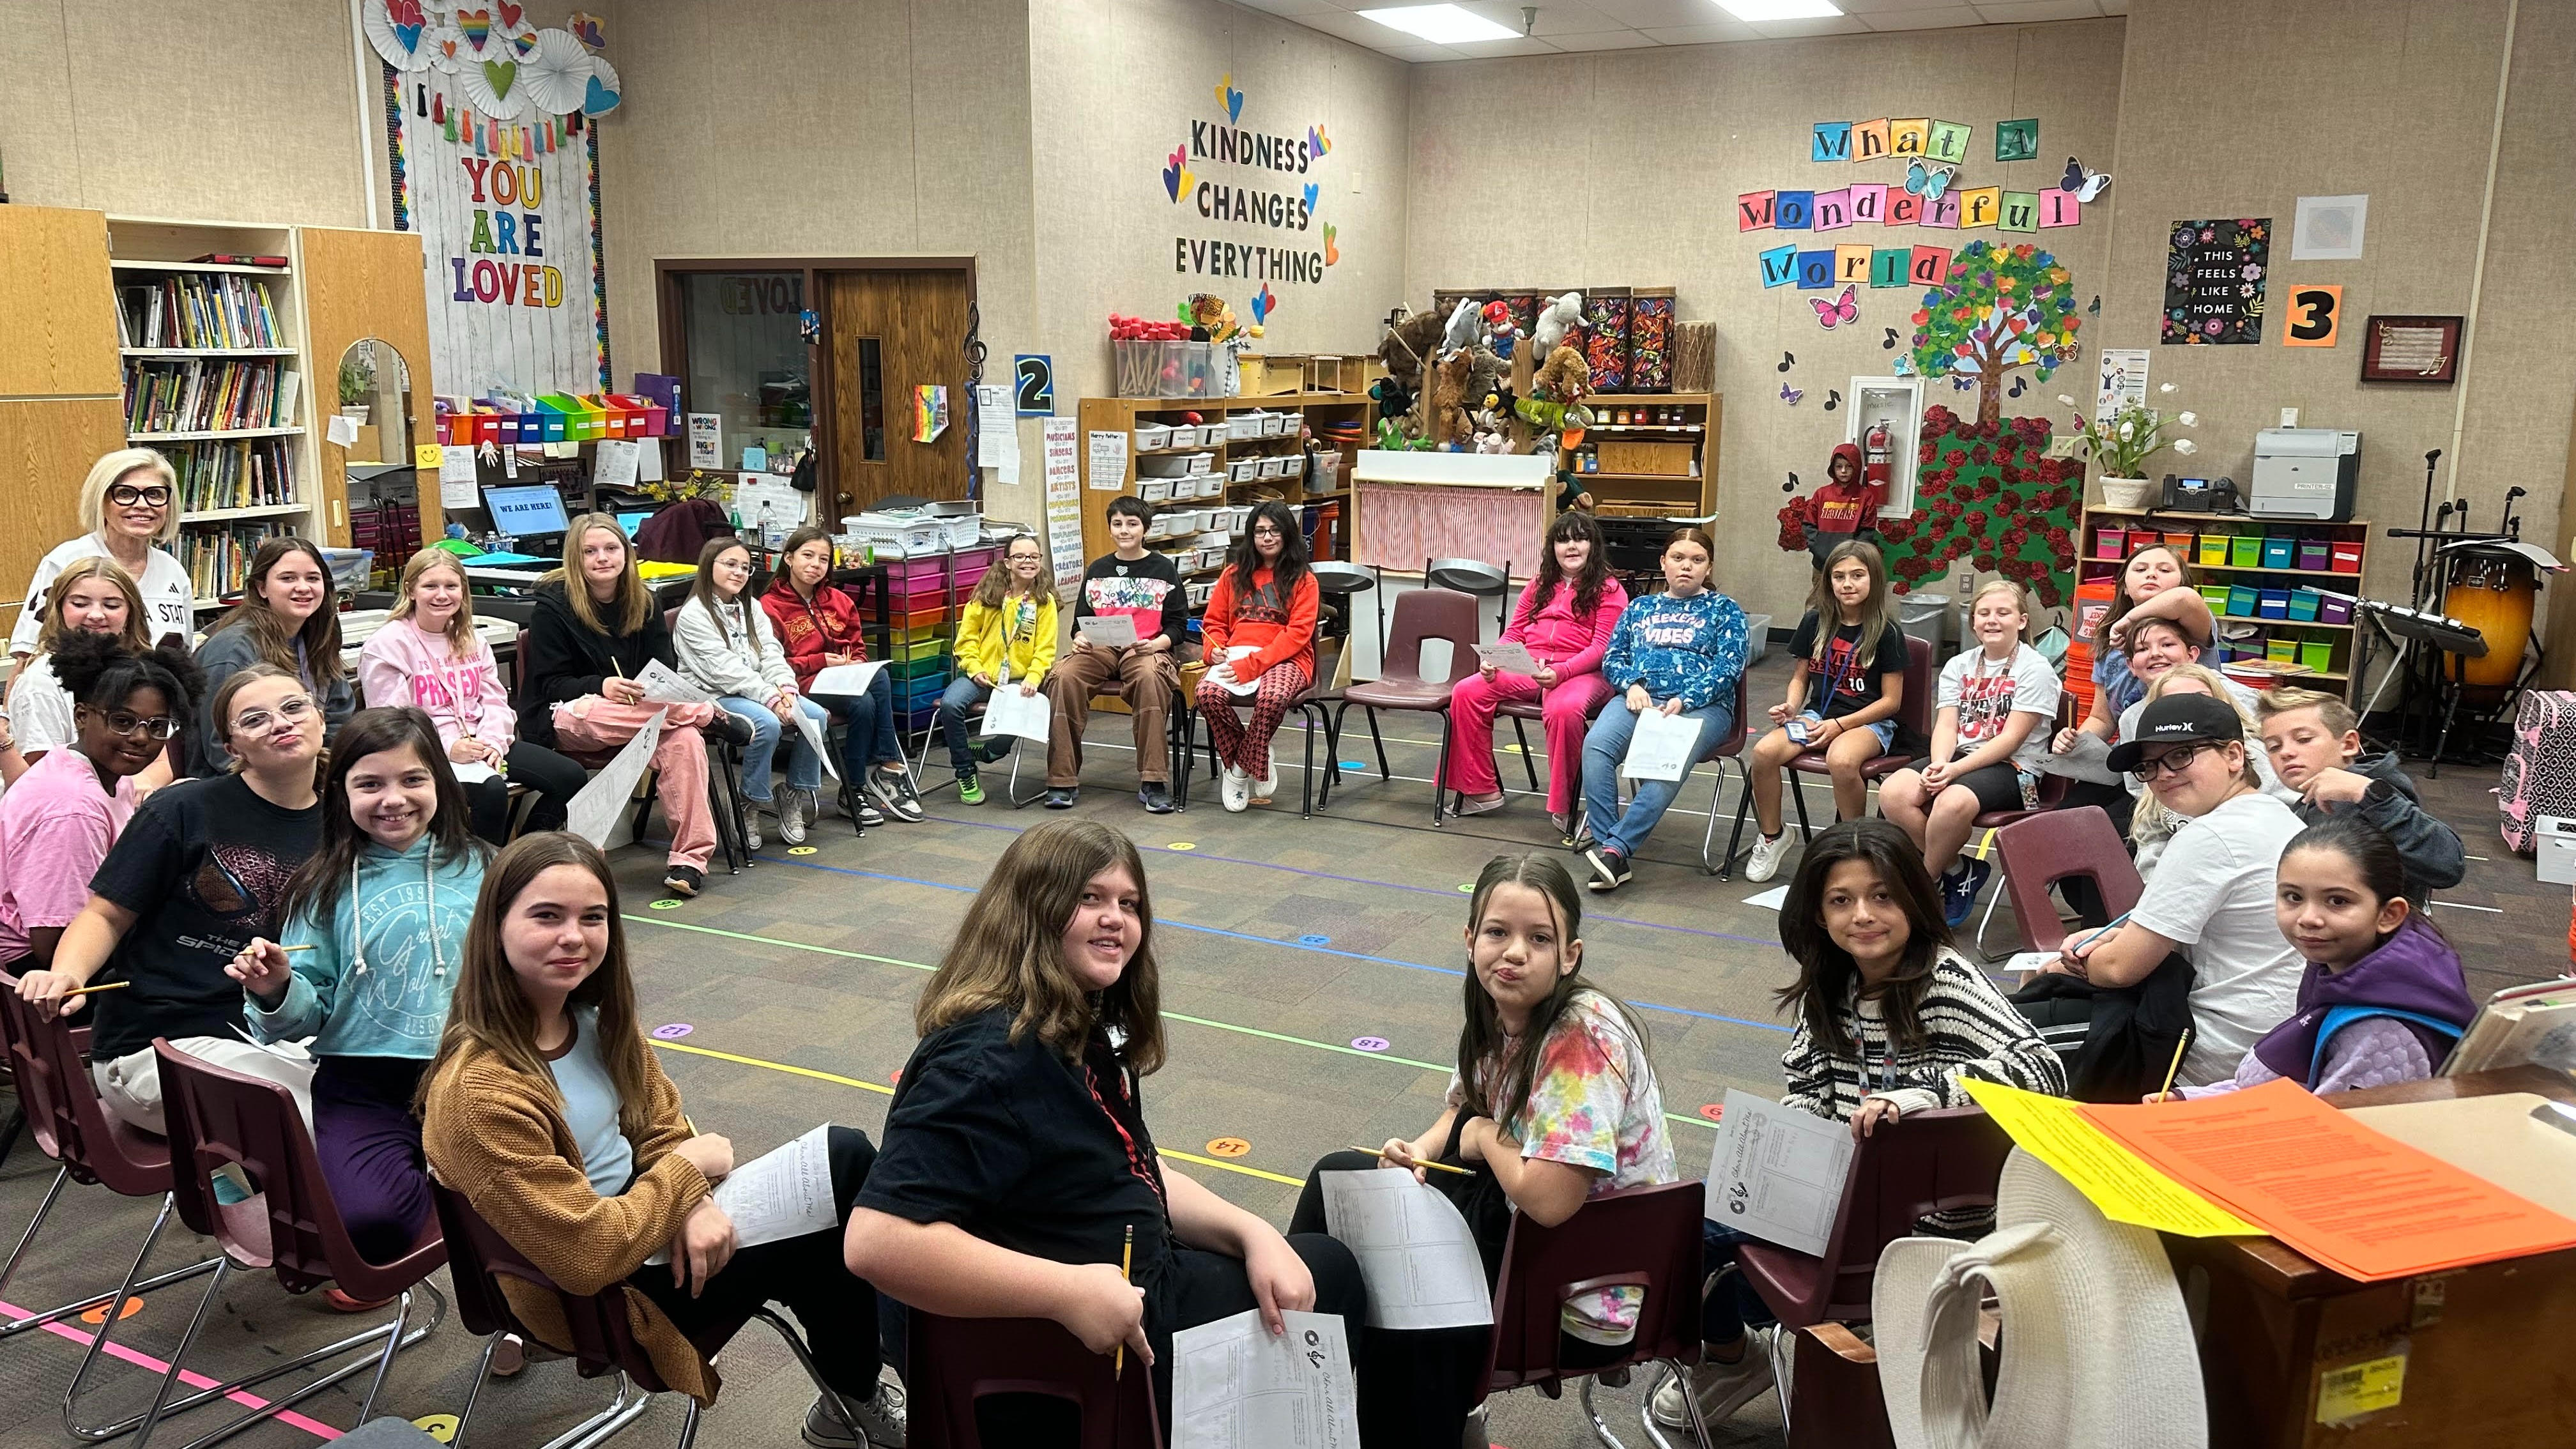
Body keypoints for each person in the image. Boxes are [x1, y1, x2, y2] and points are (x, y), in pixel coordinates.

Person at [844, 820, 1368, 1439]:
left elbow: (1135, 1169)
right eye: (1089, 898)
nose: (1115, 917)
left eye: (1129, 903)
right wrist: (1067, 1292)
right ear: (1032, 912)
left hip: (1131, 1295)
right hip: (1086, 1357)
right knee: (1334, 1268)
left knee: (1304, 1253)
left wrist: (1251, 1233)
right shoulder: (987, 1063)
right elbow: (877, 1241)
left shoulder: (1066, 1029)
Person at [420, 833, 906, 1446]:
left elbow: (661, 1125)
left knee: (839, 1192)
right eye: (547, 916)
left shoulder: (592, 1022)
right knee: (838, 1212)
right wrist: (685, 1175)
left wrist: (695, 1200)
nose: (574, 936)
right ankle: (873, 1388)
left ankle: (858, 1392)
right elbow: (585, 1256)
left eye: (592, 917)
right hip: (600, 1296)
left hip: (643, 1227)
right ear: (495, 928)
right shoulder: (480, 1092)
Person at [1652, 818, 2064, 1430]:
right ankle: (1734, 1353)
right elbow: (1807, 1085)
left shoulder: (1944, 981)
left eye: (1882, 896)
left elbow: (2043, 1069)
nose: (1862, 916)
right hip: (1841, 1198)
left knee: (1694, 1242)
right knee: (1692, 1225)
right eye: (1841, 901)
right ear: (1818, 915)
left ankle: (1728, 1353)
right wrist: (1791, 1138)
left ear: (1913, 900)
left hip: (1929, 1225)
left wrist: (1921, 1098)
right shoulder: (1834, 983)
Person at [1291, 854, 1673, 1444]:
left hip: (1584, 1286)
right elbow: (1463, 1105)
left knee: (1401, 1286)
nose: (1514, 952)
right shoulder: (1499, 1013)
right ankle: (1299, 1395)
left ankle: (1420, 1417)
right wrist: (1416, 1151)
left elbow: (1548, 1200)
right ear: (1470, 940)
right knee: (1339, 1178)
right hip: (1520, 1231)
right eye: (1498, 932)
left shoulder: (1581, 1036)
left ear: (1570, 955)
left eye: (1538, 939)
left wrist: (1481, 1136)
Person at [224, 709, 488, 1277]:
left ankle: (511, 1297)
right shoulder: (320, 887)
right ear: (341, 795)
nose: (393, 799)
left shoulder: (487, 869)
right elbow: (298, 1019)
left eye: (412, 780)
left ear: (440, 782)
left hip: (475, 1076)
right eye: (370, 784)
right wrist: (275, 989)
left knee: (538, 1201)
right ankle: (432, 1184)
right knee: (373, 1227)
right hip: (364, 1083)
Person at [13, 666, 325, 1133]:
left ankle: (231, 1196)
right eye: (256, 718)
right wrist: (67, 974)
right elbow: (106, 914)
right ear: (230, 745)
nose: (281, 723)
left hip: (274, 1035)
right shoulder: (184, 809)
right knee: (320, 1119)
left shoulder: (344, 823)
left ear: (320, 717)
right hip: (155, 1045)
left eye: (293, 707)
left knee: (394, 1098)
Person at [2042, 694, 2306, 1087]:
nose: (2163, 774)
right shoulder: (2277, 817)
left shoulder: (2211, 835)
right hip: (2279, 1035)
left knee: (2028, 1014)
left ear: (2235, 756)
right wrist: (2113, 940)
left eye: (2181, 755)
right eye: (2148, 766)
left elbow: (2119, 969)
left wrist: (2076, 963)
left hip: (2210, 1048)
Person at [2154, 815, 2473, 1100]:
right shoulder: (2345, 973)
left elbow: (2327, 1135)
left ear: (2389, 914)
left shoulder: (2379, 1031)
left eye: (2337, 901)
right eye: (2293, 897)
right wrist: (2188, 1101)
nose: (2309, 918)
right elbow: (2289, 1088)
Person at [518, 514, 749, 900]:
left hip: (644, 716)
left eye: (611, 549)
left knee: (687, 741)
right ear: (575, 559)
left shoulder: (645, 601)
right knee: (599, 712)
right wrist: (602, 685)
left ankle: (689, 862)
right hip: (571, 715)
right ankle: (709, 714)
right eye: (589, 551)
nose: (601, 558)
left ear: (627, 553)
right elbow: (551, 685)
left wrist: (645, 689)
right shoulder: (551, 609)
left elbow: (665, 671)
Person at [359, 549, 588, 845]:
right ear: (410, 589)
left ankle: (523, 855)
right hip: (424, 753)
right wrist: (449, 747)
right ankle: (482, 876)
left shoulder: (471, 638)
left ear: (463, 592)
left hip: (481, 743)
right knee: (491, 793)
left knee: (570, 777)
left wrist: (494, 742)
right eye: (431, 586)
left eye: (451, 587)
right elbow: (392, 724)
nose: (442, 595)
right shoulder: (388, 644)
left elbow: (494, 700)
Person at [0, 634, 199, 969]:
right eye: (122, 721)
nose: (139, 738)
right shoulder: (72, 809)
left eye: (157, 726)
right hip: (35, 970)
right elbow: (56, 945)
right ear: (81, 716)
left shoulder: (96, 770)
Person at [1876, 579, 2060, 924]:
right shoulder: (1959, 665)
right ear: (1973, 621)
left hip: (2020, 771)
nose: (1992, 620)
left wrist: (1954, 773)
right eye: (1984, 613)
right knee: (1894, 792)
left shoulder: (2036, 670)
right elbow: (1947, 725)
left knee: (1952, 802)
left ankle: (1922, 888)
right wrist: (1940, 764)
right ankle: (1960, 870)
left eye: (2003, 613)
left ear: (2021, 621)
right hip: (1962, 758)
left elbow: (2011, 740)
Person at [1575, 526, 1747, 893]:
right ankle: (1611, 847)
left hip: (1703, 707)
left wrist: (1687, 699)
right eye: (1678, 558)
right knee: (1596, 747)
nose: (1687, 567)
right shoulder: (1640, 607)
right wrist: (1631, 685)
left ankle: (1616, 850)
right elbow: (1614, 657)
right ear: (1663, 562)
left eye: (1697, 560)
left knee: (1666, 755)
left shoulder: (1724, 609)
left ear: (1709, 568)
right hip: (1639, 699)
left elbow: (1729, 667)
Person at [1440, 511, 1629, 835]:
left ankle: (1564, 806)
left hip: (1584, 672)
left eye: (1580, 539)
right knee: (1467, 691)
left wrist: (1562, 671)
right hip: (1531, 667)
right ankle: (1481, 791)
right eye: (1563, 540)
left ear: (1593, 546)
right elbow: (1514, 633)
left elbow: (1602, 649)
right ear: (1553, 548)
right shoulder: (1539, 584)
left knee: (1564, 709)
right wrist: (1495, 659)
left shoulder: (1610, 590)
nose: (1571, 546)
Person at [1743, 540, 1908, 882]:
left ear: (1874, 580)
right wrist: (1791, 705)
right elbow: (1800, 677)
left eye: (1858, 575)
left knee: (1842, 760)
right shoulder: (1815, 622)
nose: (1847, 584)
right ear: (1828, 582)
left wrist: (1840, 725)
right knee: (1763, 752)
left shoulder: (1887, 632)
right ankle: (1773, 836)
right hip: (1819, 715)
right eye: (1839, 576)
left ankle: (1853, 847)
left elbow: (1891, 702)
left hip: (1869, 721)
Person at [675, 536, 831, 848]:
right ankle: (750, 800)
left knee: (813, 716)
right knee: (767, 723)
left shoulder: (752, 607)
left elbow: (772, 653)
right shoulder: (693, 615)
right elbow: (724, 670)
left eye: (745, 567)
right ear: (709, 567)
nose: (739, 573)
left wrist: (787, 690)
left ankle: (793, 793)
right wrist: (772, 699)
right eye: (730, 565)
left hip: (757, 689)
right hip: (712, 694)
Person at [760, 526, 918, 826]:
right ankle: (888, 765)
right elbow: (771, 664)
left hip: (841, 682)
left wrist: (853, 664)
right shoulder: (769, 606)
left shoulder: (839, 601)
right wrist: (819, 661)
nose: (815, 565)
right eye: (807, 556)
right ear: (789, 559)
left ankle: (853, 788)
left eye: (823, 559)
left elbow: (858, 648)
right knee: (879, 683)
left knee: (866, 701)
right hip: (797, 685)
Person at [1043, 496, 1191, 813]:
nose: (1124, 531)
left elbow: (1179, 625)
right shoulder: (1098, 569)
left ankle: (1153, 781)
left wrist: (1157, 645)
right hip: (1101, 647)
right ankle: (1062, 779)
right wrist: (1080, 639)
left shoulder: (1164, 569)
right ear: (1110, 528)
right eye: (1118, 524)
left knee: (1151, 679)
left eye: (1132, 524)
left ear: (1145, 529)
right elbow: (1080, 622)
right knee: (1064, 677)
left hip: (1145, 647)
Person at [2257, 688, 2465, 907]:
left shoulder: (2365, 797)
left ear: (2348, 745)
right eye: (2274, 746)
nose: (2286, 752)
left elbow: (2448, 864)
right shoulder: (2309, 800)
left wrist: (2368, 794)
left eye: (2303, 739)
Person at [188, 537, 355, 778]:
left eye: (313, 578)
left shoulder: (316, 638)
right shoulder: (232, 651)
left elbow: (339, 719)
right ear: (261, 588)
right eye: (288, 578)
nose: (303, 587)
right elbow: (221, 751)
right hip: (240, 786)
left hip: (306, 776)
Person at [6, 558, 173, 795]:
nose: (96, 615)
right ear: (60, 608)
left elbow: (161, 764)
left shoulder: (137, 671)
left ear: (130, 612)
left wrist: (138, 788)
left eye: (112, 605)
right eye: (80, 604)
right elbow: (44, 777)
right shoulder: (42, 681)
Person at [11, 448, 197, 659]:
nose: (143, 505)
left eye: (155, 494)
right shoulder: (64, 562)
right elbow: (27, 657)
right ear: (101, 499)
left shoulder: (173, 571)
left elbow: (184, 658)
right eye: (125, 494)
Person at [1196, 501, 1319, 813]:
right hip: (1237, 655)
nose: (1267, 538)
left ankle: (1238, 772)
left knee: (1273, 697)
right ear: (1250, 536)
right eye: (1260, 531)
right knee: (1206, 694)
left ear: (1287, 535)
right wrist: (1215, 650)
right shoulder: (1233, 575)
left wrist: (1252, 666)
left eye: (1275, 531)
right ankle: (1258, 753)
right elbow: (1214, 624)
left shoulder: (1305, 580)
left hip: (1288, 659)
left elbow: (1297, 636)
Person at [939, 534, 1057, 806]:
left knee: (1023, 705)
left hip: (1019, 678)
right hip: (982, 675)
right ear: (1007, 562)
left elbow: (1046, 648)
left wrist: (1034, 676)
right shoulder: (986, 597)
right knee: (950, 704)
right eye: (1020, 557)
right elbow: (966, 641)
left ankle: (993, 750)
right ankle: (965, 769)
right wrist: (974, 668)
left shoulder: (1044, 602)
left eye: (1034, 556)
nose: (1028, 561)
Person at [1802, 441, 1885, 571]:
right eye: (1839, 466)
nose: (1843, 471)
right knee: (1820, 592)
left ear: (1856, 468)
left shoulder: (1865, 497)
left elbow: (1867, 533)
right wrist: (1820, 551)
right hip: (1821, 565)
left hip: (1850, 565)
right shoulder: (1821, 494)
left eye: (1849, 466)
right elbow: (1809, 525)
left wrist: (1851, 556)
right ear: (1833, 468)